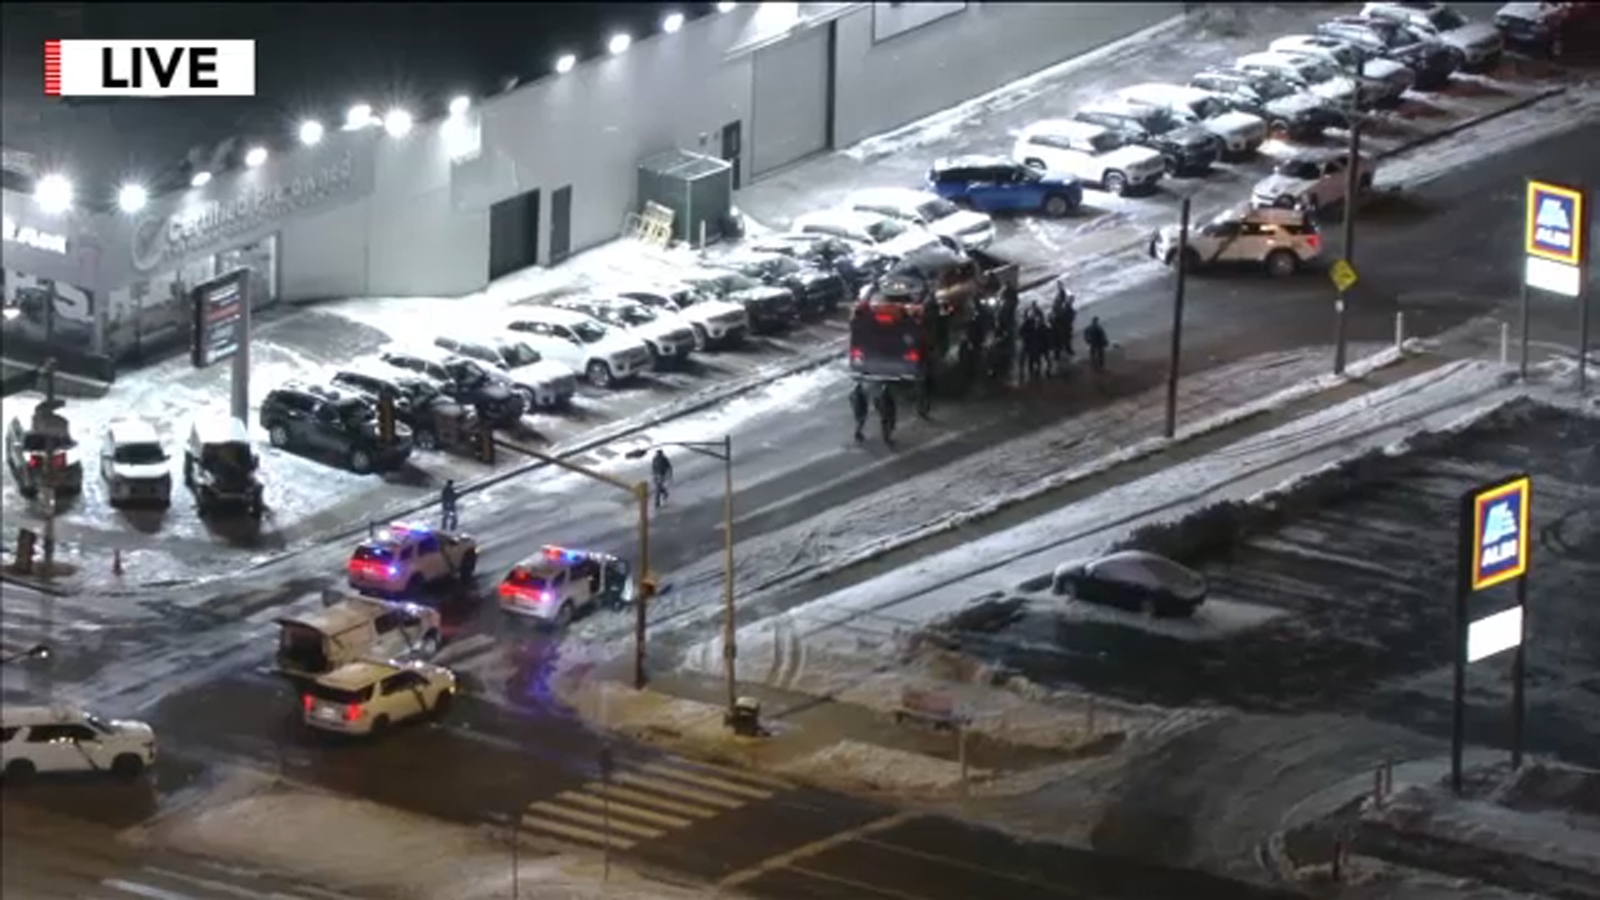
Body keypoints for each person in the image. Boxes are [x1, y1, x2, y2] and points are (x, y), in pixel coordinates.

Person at [1051, 284, 1076, 363]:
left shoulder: (1062, 306)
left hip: (1064, 326)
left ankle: (1065, 351)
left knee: (1065, 340)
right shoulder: (1060, 306)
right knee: (1060, 342)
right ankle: (1058, 354)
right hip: (1060, 327)